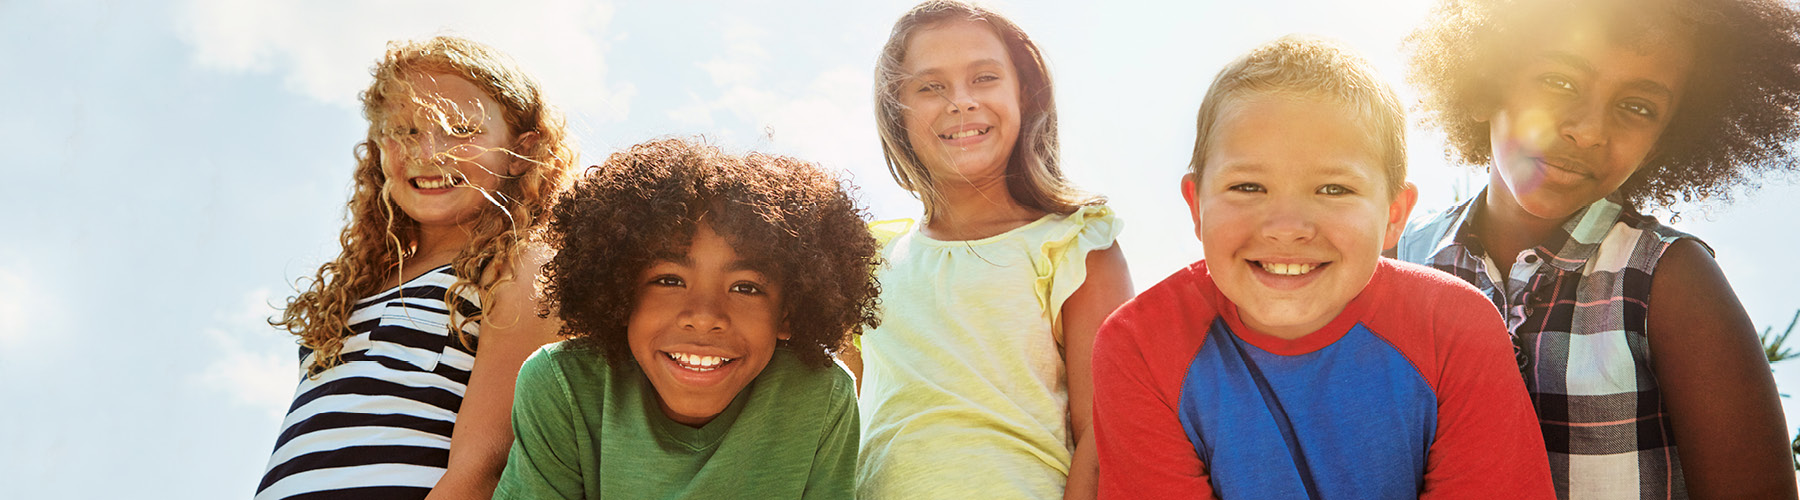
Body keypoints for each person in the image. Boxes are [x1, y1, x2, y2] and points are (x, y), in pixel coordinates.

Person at [1093, 36, 1554, 499]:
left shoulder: (1454, 328)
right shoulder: (1139, 346)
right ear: (1197, 208)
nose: (1287, 228)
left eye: (1333, 190)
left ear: (1394, 214)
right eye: (1248, 187)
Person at [1398, 0, 1800, 496]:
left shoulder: (1669, 280)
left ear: (1659, 143)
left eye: (1637, 107)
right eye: (1559, 81)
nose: (1587, 131)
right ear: (1487, 81)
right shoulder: (1397, 258)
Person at [257, 36, 577, 500]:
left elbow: (488, 463)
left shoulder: (518, 265)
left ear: (519, 151)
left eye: (460, 129)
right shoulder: (360, 289)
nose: (428, 152)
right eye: (405, 131)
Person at [846, 2, 1135, 499]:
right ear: (898, 110)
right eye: (930, 86)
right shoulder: (866, 260)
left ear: (1023, 93)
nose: (960, 101)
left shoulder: (1072, 243)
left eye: (984, 77)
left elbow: (1106, 435)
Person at [491, 138, 880, 499]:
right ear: (620, 293)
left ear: (789, 311)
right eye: (669, 280)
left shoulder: (821, 395)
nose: (704, 316)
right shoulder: (563, 385)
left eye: (746, 287)